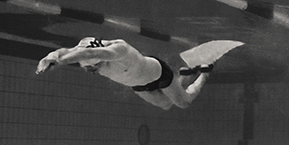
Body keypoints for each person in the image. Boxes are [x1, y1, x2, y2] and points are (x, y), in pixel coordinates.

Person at [36, 37, 217, 110]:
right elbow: (62, 51)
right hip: (138, 85)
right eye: (87, 68)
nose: (91, 71)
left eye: (92, 68)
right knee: (165, 105)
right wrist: (49, 58)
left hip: (158, 74)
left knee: (183, 102)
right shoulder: (85, 50)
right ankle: (184, 76)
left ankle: (204, 73)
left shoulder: (117, 50)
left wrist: (60, 63)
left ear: (99, 59)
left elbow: (89, 54)